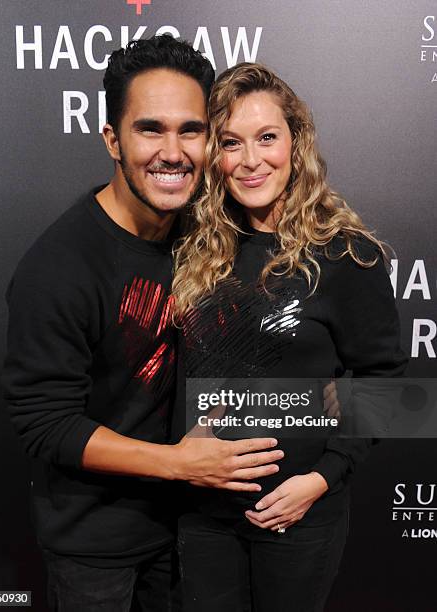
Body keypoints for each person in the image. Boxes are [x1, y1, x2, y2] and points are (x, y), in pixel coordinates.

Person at [2, 39, 284, 612]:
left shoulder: (204, 240)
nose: (173, 152)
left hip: (194, 531)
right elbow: (44, 423)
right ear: (113, 139)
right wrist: (180, 464)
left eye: (192, 130)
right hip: (96, 548)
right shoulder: (60, 266)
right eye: (150, 129)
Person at [172, 63, 408, 612]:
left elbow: (387, 383)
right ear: (214, 156)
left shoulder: (348, 255)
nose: (251, 160)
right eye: (232, 142)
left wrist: (321, 480)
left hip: (299, 516)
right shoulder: (194, 249)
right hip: (201, 515)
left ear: (296, 144)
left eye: (267, 137)